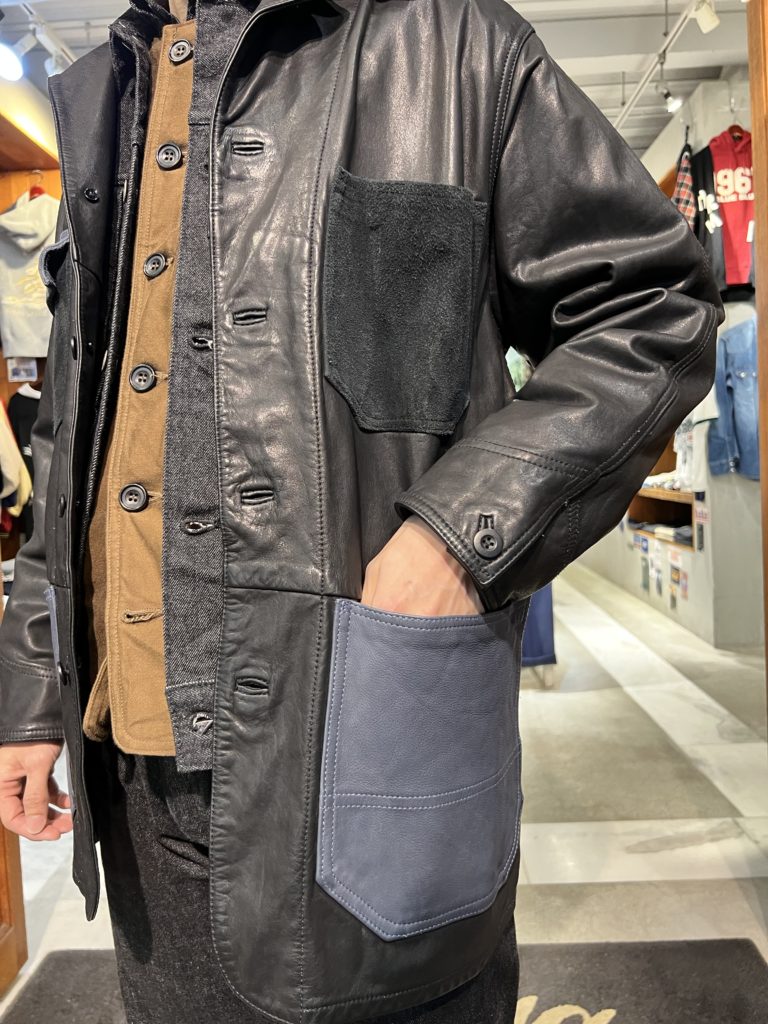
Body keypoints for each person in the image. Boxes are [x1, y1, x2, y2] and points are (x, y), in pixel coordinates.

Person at [0, 0, 723, 1021]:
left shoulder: (450, 43)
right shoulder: (106, 89)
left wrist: (459, 535)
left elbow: (650, 307)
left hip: (362, 731)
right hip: (137, 774)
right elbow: (77, 429)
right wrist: (33, 684)